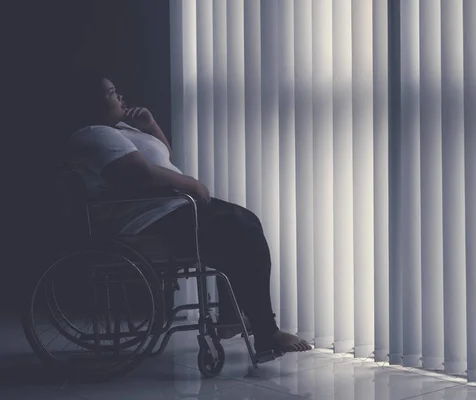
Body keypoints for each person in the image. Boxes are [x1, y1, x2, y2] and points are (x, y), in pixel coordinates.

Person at [64, 70, 311, 354]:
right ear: (91, 104)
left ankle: (235, 320)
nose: (120, 96)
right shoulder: (93, 135)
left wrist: (150, 125)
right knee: (241, 229)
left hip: (169, 208)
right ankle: (266, 332)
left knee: (244, 226)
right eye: (110, 92)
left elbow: (162, 158)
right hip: (149, 219)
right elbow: (140, 174)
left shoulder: (119, 130)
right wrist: (190, 184)